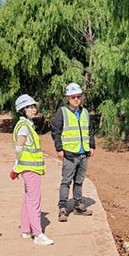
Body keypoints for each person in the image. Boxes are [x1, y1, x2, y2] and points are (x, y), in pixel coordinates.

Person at [11, 94, 53, 246]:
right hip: (30, 168)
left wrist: (17, 166)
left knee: (28, 198)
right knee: (35, 200)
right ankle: (38, 234)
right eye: (29, 107)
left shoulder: (26, 125)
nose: (34, 109)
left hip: (28, 167)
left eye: (34, 106)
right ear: (22, 110)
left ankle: (25, 230)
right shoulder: (24, 126)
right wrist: (16, 165)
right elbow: (19, 147)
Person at [50, 82, 95, 222]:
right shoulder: (62, 112)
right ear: (68, 98)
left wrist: (92, 146)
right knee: (66, 181)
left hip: (83, 153)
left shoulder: (85, 112)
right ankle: (63, 207)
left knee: (79, 181)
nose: (76, 99)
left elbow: (90, 130)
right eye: (73, 97)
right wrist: (59, 149)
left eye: (78, 96)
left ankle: (78, 206)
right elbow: (56, 131)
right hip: (69, 154)